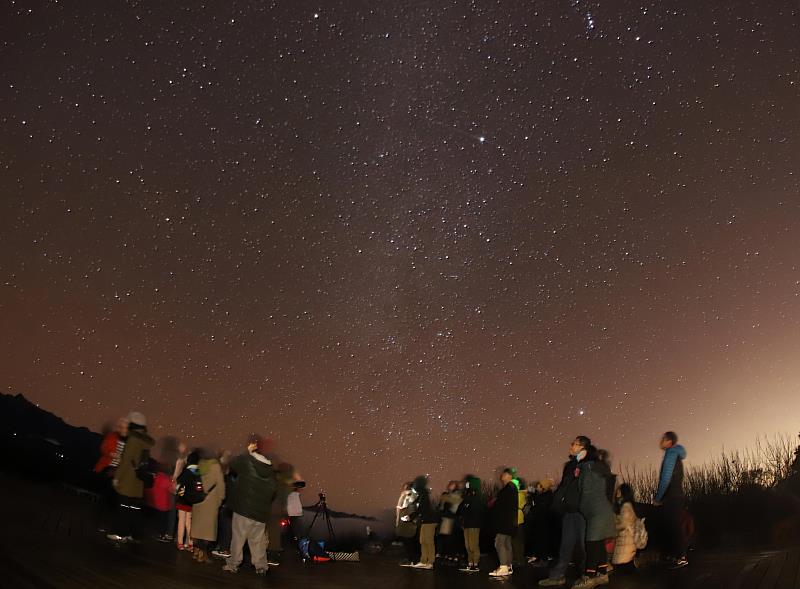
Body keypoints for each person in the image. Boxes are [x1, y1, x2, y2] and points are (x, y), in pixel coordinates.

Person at [539, 436, 590, 587]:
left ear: (582, 448)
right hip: (569, 511)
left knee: (584, 545)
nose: (571, 446)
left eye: (574, 444)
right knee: (565, 544)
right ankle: (557, 575)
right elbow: (563, 487)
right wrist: (557, 504)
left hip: (582, 511)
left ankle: (588, 575)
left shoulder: (588, 465)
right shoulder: (569, 465)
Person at [223, 435, 278, 575]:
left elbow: (233, 463)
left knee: (238, 538)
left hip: (243, 509)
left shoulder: (247, 461)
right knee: (257, 541)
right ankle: (261, 567)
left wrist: (247, 451)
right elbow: (273, 490)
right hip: (260, 513)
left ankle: (233, 564)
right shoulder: (270, 470)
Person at [572, 445, 616, 589]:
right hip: (598, 511)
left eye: (580, 452)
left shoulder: (589, 469)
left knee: (592, 543)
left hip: (598, 511)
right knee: (598, 543)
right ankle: (602, 574)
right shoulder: (593, 468)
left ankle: (589, 576)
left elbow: (586, 492)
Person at [107, 411, 154, 542]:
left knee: (122, 509)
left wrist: (117, 478)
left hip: (128, 481)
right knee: (133, 510)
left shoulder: (133, 439)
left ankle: (119, 533)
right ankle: (128, 534)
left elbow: (126, 460)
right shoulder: (145, 441)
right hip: (138, 483)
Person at [655, 431, 688, 568]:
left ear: (669, 441)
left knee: (673, 527)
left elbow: (666, 478)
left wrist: (658, 497)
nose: (660, 440)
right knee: (671, 526)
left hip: (672, 496)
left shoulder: (671, 454)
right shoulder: (675, 455)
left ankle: (681, 557)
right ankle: (674, 555)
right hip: (676, 496)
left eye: (663, 438)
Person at [190, 450, 226, 563]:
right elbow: (220, 484)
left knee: (197, 527)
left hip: (198, 499)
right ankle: (203, 554)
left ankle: (196, 551)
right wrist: (221, 498)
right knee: (207, 530)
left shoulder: (199, 465)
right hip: (210, 502)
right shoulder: (216, 467)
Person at [489, 468, 518, 577]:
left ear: (509, 476)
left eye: (504, 474)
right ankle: (508, 566)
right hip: (509, 522)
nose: (502, 476)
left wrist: (495, 503)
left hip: (504, 521)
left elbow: (502, 506)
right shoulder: (512, 488)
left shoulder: (508, 489)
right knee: (506, 544)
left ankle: (503, 566)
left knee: (499, 542)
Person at [411, 475, 438, 570]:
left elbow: (421, 509)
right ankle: (423, 561)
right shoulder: (421, 494)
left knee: (428, 541)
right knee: (422, 541)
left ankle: (430, 562)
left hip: (430, 521)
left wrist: (411, 516)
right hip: (425, 521)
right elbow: (419, 508)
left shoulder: (423, 494)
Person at [528, 479, 557, 565]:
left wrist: (534, 507)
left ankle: (543, 558)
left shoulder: (546, 496)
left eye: (539, 485)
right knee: (539, 538)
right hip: (540, 521)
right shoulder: (543, 495)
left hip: (543, 521)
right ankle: (540, 556)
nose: (537, 487)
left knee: (542, 539)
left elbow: (540, 508)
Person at [457, 475, 483, 573]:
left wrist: (466, 500)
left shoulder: (477, 496)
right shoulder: (468, 495)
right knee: (467, 545)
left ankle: (475, 563)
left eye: (468, 483)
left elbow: (474, 509)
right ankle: (470, 562)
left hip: (474, 524)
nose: (466, 485)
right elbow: (462, 508)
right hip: (467, 523)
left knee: (473, 545)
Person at [175, 451, 199, 551]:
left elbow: (179, 482)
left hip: (183, 499)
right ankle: (190, 543)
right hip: (192, 501)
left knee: (181, 520)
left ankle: (180, 543)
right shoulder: (199, 472)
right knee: (189, 522)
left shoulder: (186, 472)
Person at [612, 483, 638, 570]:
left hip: (626, 543)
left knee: (622, 567)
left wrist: (613, 526)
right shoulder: (624, 506)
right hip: (625, 542)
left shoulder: (626, 507)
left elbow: (624, 524)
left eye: (619, 491)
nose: (616, 493)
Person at [438, 480, 463, 563]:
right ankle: (447, 554)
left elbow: (455, 501)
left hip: (452, 518)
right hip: (446, 517)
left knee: (451, 538)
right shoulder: (448, 495)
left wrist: (445, 497)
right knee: (446, 538)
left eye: (452, 485)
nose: (450, 486)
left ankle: (453, 555)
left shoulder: (456, 494)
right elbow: (442, 506)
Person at [396, 481, 420, 567]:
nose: (404, 488)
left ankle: (412, 560)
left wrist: (410, 518)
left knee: (409, 542)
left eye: (406, 486)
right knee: (407, 542)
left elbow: (412, 509)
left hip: (408, 522)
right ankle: (410, 559)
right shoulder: (405, 495)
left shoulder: (411, 495)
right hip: (404, 522)